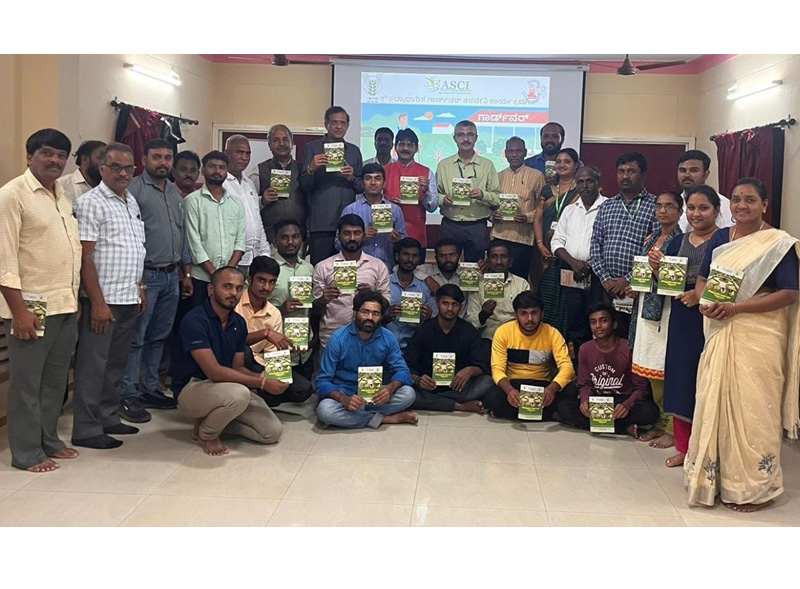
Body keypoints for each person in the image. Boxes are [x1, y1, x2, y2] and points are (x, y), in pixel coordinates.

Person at [686, 177, 800, 512]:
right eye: (736, 199)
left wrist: (738, 308)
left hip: (760, 333)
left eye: (750, 200)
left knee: (754, 408)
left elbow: (790, 293)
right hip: (721, 327)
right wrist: (706, 301)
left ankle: (755, 488)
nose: (741, 206)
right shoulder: (722, 237)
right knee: (713, 399)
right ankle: (714, 480)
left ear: (765, 204)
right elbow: (703, 278)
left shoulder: (777, 243)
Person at [0, 129, 82, 472]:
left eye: (61, 155)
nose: (55, 160)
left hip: (65, 303)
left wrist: (75, 299)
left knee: (54, 382)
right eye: (47, 153)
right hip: (32, 306)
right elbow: (4, 260)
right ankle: (27, 452)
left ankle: (49, 440)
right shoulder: (12, 195)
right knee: (27, 383)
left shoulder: (61, 195)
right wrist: (19, 312)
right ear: (29, 156)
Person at [71, 143, 147, 450]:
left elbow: (135, 249)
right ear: (101, 168)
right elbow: (85, 257)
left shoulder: (131, 201)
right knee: (93, 366)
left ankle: (108, 416)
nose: (123, 173)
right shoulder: (91, 203)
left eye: (128, 168)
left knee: (116, 364)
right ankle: (86, 429)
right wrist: (97, 302)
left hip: (128, 296)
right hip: (103, 300)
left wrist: (140, 287)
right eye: (115, 167)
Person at [171, 267, 283, 456]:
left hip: (225, 388)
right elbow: (214, 372)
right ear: (211, 290)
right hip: (192, 388)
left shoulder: (238, 322)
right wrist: (262, 383)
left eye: (239, 288)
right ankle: (207, 434)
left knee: (271, 432)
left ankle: (210, 420)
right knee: (240, 393)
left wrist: (262, 376)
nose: (233, 293)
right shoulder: (195, 320)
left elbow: (238, 367)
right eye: (227, 287)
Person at [121, 138, 192, 423]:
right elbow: (130, 239)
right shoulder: (133, 191)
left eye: (167, 157)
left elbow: (182, 235)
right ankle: (128, 393)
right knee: (136, 338)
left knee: (159, 337)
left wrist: (186, 273)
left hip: (171, 275)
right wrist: (138, 282)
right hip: (146, 275)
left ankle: (149, 388)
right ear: (145, 160)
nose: (163, 162)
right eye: (157, 157)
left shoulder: (174, 193)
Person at [662, 186, 720, 468]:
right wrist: (657, 268)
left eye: (704, 208)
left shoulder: (725, 240)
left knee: (709, 379)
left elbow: (729, 282)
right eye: (692, 208)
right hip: (681, 317)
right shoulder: (678, 241)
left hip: (713, 317)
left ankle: (707, 449)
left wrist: (700, 296)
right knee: (681, 377)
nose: (696, 214)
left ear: (717, 211)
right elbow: (668, 282)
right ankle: (684, 448)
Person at [625, 191, 684, 449]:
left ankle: (672, 427)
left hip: (667, 312)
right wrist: (634, 286)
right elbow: (642, 273)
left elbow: (675, 284)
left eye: (669, 206)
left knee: (662, 369)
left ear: (680, 211)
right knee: (647, 366)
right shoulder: (651, 238)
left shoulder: (681, 241)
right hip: (644, 309)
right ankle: (660, 422)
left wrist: (658, 271)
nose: (663, 210)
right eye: (659, 205)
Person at [315, 290, 418, 429]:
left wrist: (389, 389)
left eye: (375, 314)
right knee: (325, 411)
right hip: (345, 393)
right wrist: (343, 399)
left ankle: (359, 415)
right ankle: (384, 419)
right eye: (365, 312)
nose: (370, 317)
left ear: (381, 317)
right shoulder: (338, 339)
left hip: (374, 394)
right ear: (354, 313)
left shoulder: (388, 338)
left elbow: (402, 371)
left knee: (408, 394)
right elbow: (322, 381)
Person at [558, 303, 659, 436]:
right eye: (593, 322)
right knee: (564, 407)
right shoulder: (585, 349)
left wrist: (627, 405)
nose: (598, 326)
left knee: (650, 412)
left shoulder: (628, 348)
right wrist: (585, 400)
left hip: (622, 400)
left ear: (614, 324)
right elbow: (585, 384)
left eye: (603, 321)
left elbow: (641, 387)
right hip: (598, 400)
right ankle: (624, 428)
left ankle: (601, 424)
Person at [589, 152, 657, 337]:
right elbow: (595, 244)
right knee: (605, 337)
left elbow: (656, 249)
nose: (625, 176)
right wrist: (605, 279)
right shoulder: (607, 206)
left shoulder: (655, 206)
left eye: (631, 171)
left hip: (637, 287)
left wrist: (627, 279)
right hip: (606, 287)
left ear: (643, 175)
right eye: (621, 171)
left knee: (634, 336)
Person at [484, 291, 576, 422]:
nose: (529, 319)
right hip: (515, 384)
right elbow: (497, 369)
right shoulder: (503, 332)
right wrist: (510, 391)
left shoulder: (552, 333)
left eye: (534, 313)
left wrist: (552, 388)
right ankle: (550, 415)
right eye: (523, 313)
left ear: (542, 314)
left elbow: (567, 367)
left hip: (542, 385)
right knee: (492, 396)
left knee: (571, 390)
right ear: (516, 315)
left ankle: (515, 412)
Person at [235, 256, 314, 407]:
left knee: (303, 389)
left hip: (260, 363)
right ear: (249, 279)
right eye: (261, 280)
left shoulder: (274, 313)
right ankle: (255, 390)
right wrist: (265, 333)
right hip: (233, 361)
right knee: (244, 350)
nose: (266, 287)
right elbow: (230, 340)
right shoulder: (235, 302)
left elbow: (272, 353)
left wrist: (278, 375)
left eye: (272, 282)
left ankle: (258, 393)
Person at [405, 284, 492, 413]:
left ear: (460, 306)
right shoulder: (423, 331)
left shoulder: (469, 331)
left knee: (487, 382)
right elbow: (408, 365)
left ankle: (436, 402)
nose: (450, 308)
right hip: (429, 387)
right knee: (407, 392)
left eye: (454, 304)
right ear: (437, 304)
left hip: (459, 388)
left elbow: (482, 365)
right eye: (445, 303)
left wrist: (470, 370)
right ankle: (458, 406)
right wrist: (418, 380)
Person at [551, 166, 608, 357]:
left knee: (600, 320)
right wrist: (574, 263)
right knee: (576, 322)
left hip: (599, 275)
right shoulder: (569, 210)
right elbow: (556, 242)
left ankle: (601, 363)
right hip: (571, 274)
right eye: (581, 182)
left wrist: (588, 265)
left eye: (589, 181)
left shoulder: (609, 207)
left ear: (598, 183)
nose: (585, 186)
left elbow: (611, 244)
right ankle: (581, 365)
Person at [312, 214, 391, 349]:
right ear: (339, 236)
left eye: (357, 233)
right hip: (331, 338)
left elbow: (386, 305)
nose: (352, 238)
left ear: (364, 235)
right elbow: (314, 310)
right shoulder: (323, 267)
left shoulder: (378, 266)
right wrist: (323, 299)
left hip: (368, 338)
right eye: (347, 233)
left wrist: (372, 295)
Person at [183, 151, 246, 311]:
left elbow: (240, 242)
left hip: (230, 282)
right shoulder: (192, 201)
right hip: (201, 278)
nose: (217, 171)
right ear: (203, 170)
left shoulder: (236, 204)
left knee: (226, 322)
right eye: (212, 166)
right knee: (198, 321)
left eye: (222, 167)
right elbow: (194, 243)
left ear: (226, 171)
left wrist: (227, 274)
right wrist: (216, 275)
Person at [300, 106, 363, 264]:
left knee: (347, 270)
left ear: (347, 126)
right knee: (322, 269)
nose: (338, 126)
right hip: (321, 224)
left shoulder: (354, 151)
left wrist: (352, 177)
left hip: (348, 225)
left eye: (343, 123)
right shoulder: (312, 148)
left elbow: (361, 188)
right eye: (334, 122)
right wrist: (311, 168)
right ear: (326, 124)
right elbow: (304, 186)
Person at [436, 120, 501, 262]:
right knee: (447, 265)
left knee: (475, 268)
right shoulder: (443, 165)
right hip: (450, 224)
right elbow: (435, 195)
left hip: (476, 225)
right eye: (461, 135)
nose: (465, 139)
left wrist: (483, 195)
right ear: (455, 138)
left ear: (476, 137)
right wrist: (442, 199)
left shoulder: (487, 165)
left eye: (470, 135)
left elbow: (497, 198)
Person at [536, 148, 582, 338]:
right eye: (559, 161)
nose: (562, 165)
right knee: (546, 295)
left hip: (569, 254)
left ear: (576, 165)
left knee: (567, 300)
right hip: (545, 253)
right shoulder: (547, 190)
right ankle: (544, 339)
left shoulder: (581, 190)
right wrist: (540, 244)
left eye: (567, 161)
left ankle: (564, 340)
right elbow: (538, 218)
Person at [490, 137, 545, 280]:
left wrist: (528, 217)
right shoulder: (498, 176)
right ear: (505, 153)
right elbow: (491, 205)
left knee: (519, 280)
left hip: (523, 240)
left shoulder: (536, 176)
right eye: (511, 151)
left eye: (518, 151)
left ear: (525, 152)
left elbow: (543, 206)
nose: (514, 155)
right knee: (496, 281)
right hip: (499, 237)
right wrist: (492, 215)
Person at [268, 218, 315, 380]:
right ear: (275, 241)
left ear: (301, 239)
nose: (290, 242)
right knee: (277, 391)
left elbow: (312, 307)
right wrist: (280, 310)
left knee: (306, 389)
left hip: (304, 349)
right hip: (276, 347)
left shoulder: (309, 268)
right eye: (284, 237)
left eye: (295, 237)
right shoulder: (268, 268)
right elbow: (254, 308)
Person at [338, 163, 406, 270]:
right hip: (359, 269)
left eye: (377, 179)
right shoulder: (350, 210)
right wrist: (359, 237)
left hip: (387, 268)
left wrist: (397, 241)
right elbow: (337, 244)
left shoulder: (395, 210)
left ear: (384, 183)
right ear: (362, 183)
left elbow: (405, 245)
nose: (373, 183)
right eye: (368, 178)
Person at [252, 124, 307, 245]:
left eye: (285, 139)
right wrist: (262, 200)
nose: (281, 144)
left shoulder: (303, 169)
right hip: (270, 240)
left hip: (298, 239)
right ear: (269, 145)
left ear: (292, 143)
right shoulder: (258, 170)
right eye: (276, 140)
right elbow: (248, 204)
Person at [223, 135, 270, 276]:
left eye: (248, 153)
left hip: (255, 258)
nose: (244, 157)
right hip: (232, 259)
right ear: (226, 153)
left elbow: (257, 220)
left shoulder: (249, 183)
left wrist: (265, 253)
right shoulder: (221, 184)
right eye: (239, 152)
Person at [466, 240, 531, 342]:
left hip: (514, 339)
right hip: (487, 340)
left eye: (503, 257)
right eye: (494, 257)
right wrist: (483, 315)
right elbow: (470, 320)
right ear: (487, 261)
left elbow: (527, 316)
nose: (499, 262)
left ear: (510, 262)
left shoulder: (522, 284)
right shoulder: (478, 285)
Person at [383, 128, 438, 247]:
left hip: (416, 234)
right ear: (395, 147)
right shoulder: (384, 171)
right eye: (402, 144)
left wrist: (426, 192)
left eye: (410, 145)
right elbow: (375, 202)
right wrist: (389, 204)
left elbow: (433, 207)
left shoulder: (427, 172)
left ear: (417, 148)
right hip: (389, 235)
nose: (405, 148)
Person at [384, 237, 436, 350]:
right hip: (386, 345)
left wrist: (428, 317)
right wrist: (387, 316)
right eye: (406, 254)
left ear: (419, 259)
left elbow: (435, 322)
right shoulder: (384, 283)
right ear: (397, 256)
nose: (410, 259)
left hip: (415, 347)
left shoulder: (425, 288)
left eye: (415, 256)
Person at [676, 150, 732, 231]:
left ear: (706, 174)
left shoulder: (723, 204)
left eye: (693, 170)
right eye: (683, 170)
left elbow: (728, 235)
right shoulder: (675, 203)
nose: (687, 175)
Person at [415, 238, 469, 318]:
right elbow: (400, 269)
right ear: (436, 258)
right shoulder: (428, 270)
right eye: (442, 256)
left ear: (458, 256)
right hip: (434, 322)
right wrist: (427, 278)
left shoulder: (467, 272)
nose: (448, 259)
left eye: (452, 255)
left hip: (462, 323)